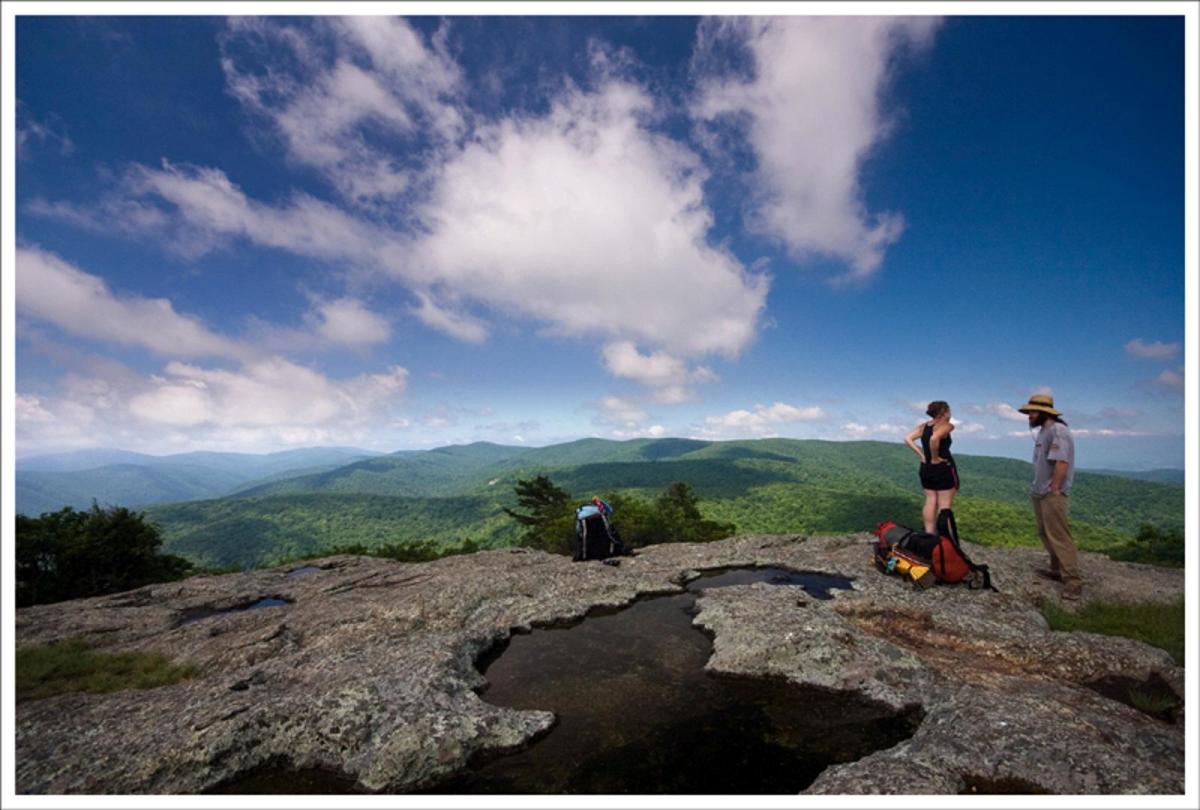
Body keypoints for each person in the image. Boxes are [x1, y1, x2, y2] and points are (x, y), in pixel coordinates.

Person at [1018, 393, 1081, 601]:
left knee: (1059, 534)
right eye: (1029, 412)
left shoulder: (1058, 431)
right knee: (1045, 532)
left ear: (1044, 412)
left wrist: (1054, 487)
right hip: (1040, 491)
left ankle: (1072, 580)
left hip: (1051, 493)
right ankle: (1056, 569)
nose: (1029, 416)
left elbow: (1061, 462)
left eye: (1033, 412)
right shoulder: (1045, 432)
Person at [905, 401, 959, 534]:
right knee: (944, 506)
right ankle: (947, 538)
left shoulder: (924, 427)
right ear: (944, 412)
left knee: (930, 501)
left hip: (926, 468)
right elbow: (934, 439)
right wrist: (935, 458)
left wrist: (922, 455)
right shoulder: (947, 426)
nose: (950, 414)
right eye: (949, 411)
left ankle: (930, 534)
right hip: (942, 467)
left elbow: (908, 439)